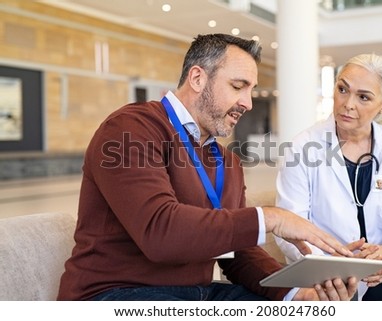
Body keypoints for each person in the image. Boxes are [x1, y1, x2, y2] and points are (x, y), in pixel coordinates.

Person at [57, 33, 358, 301]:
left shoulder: (226, 161)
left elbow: (237, 253)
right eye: (238, 86)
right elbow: (160, 233)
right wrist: (270, 218)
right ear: (198, 78)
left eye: (250, 90)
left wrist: (295, 295)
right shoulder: (131, 129)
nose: (248, 102)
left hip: (197, 294)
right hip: (118, 293)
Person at [275, 53, 382, 301]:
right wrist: (339, 264)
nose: (348, 103)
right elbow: (290, 228)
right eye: (343, 89)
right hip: (327, 277)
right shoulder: (302, 147)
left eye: (363, 97)